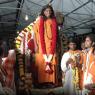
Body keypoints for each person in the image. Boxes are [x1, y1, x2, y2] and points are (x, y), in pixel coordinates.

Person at [32, 4, 58, 86]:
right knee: (42, 63)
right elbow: (34, 33)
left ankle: (50, 81)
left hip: (51, 46)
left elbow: (55, 36)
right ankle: (42, 82)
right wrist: (35, 45)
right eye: (46, 10)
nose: (48, 12)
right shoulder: (40, 20)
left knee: (51, 62)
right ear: (43, 11)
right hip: (41, 45)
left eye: (50, 11)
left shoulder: (53, 21)